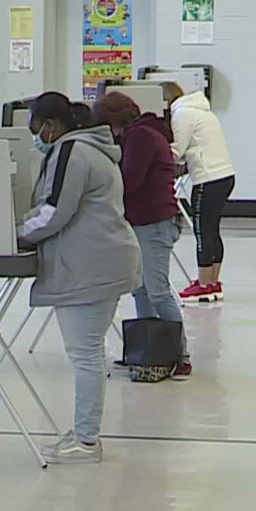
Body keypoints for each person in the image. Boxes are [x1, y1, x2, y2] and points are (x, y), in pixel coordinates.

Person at [21, 92, 140, 464]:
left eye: (36, 130)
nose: (36, 138)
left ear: (51, 126)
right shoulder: (92, 148)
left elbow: (55, 211)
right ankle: (84, 432)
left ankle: (87, 441)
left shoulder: (71, 152)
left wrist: (13, 235)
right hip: (104, 260)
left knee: (85, 354)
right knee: (87, 352)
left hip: (91, 267)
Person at [97, 91, 190, 381]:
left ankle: (180, 355)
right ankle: (148, 349)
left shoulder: (140, 137)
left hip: (153, 222)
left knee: (157, 288)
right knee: (141, 288)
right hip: (146, 220)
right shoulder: (146, 132)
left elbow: (130, 181)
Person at [163, 81, 236, 303]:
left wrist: (155, 151)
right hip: (224, 175)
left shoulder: (182, 114)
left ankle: (203, 286)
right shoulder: (201, 111)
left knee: (202, 231)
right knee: (212, 230)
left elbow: (177, 150)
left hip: (207, 178)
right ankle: (213, 283)